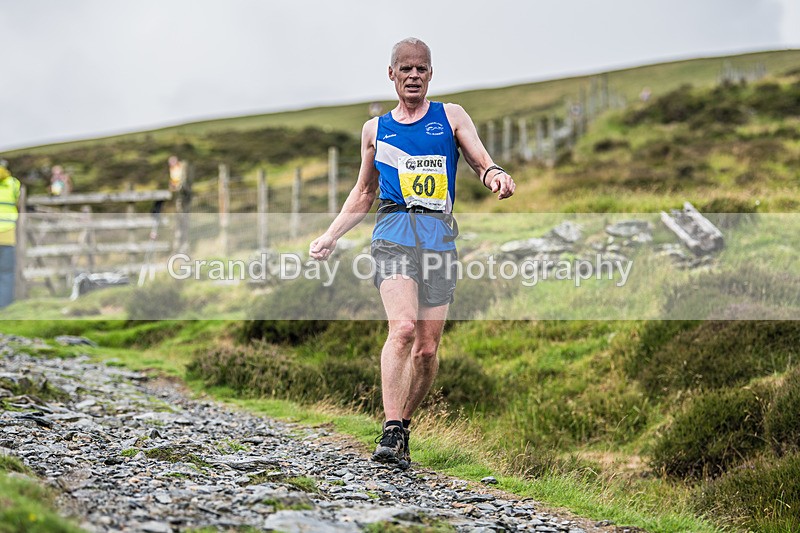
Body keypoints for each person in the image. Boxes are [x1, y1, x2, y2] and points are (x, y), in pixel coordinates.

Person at [309, 37, 515, 469]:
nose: (414, 76)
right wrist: (331, 235)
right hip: (392, 235)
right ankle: (389, 429)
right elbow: (364, 192)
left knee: (425, 349)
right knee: (402, 329)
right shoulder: (375, 130)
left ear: (431, 74)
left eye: (421, 69)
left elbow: (481, 162)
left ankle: (403, 425)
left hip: (438, 240)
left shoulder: (451, 116)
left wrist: (495, 174)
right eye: (406, 69)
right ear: (392, 75)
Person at [0, 161, 21, 308]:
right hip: (8, 234)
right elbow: (19, 201)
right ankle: (4, 308)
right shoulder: (13, 183)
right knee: (6, 274)